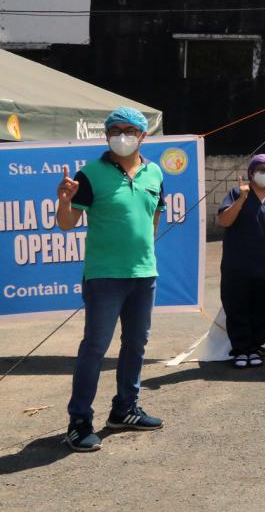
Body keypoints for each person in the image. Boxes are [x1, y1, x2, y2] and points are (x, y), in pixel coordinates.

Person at [55, 106, 165, 452]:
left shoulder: (155, 173)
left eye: (129, 130)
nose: (121, 136)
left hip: (144, 274)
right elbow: (67, 223)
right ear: (105, 134)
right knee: (95, 347)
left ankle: (125, 409)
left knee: (136, 345)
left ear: (142, 135)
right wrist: (64, 201)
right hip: (104, 276)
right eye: (114, 130)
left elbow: (154, 218)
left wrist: (145, 254)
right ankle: (79, 421)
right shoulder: (89, 174)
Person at [216, 154, 265, 369]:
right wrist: (241, 200)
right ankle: (240, 349)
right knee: (237, 308)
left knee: (263, 310)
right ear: (250, 172)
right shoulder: (236, 193)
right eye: (261, 169)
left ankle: (255, 347)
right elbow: (224, 221)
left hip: (264, 266)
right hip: (236, 266)